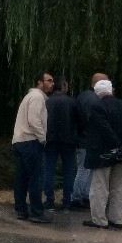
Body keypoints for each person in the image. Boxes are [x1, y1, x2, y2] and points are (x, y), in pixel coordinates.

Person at [83, 79, 122, 229]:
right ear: (112, 90)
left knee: (100, 187)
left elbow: (103, 129)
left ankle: (99, 220)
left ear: (96, 93)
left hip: (103, 154)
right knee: (118, 187)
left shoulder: (97, 107)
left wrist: (116, 145)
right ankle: (117, 219)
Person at [12, 72, 54, 222]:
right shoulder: (37, 97)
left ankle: (21, 210)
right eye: (49, 80)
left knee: (21, 178)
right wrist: (43, 138)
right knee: (36, 178)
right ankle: (37, 212)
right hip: (31, 141)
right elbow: (34, 120)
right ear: (39, 82)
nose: (52, 83)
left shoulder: (29, 97)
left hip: (20, 141)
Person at [70, 72, 108, 209]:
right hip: (87, 139)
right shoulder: (93, 100)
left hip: (82, 138)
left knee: (85, 169)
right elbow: (90, 120)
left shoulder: (83, 96)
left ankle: (83, 195)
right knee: (84, 169)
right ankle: (76, 197)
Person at [43, 76, 79, 211]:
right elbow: (79, 121)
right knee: (69, 171)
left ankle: (49, 201)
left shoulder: (47, 102)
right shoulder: (72, 102)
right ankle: (67, 202)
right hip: (69, 140)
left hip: (50, 139)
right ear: (64, 86)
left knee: (49, 170)